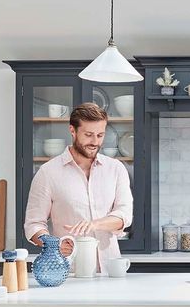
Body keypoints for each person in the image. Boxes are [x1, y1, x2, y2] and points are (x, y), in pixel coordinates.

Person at [24, 102, 133, 270]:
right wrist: (53, 245)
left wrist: (94, 224)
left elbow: (124, 216)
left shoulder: (116, 169)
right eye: (88, 134)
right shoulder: (48, 173)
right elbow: (33, 224)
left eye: (100, 135)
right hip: (68, 270)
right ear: (72, 131)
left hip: (110, 271)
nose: (95, 142)